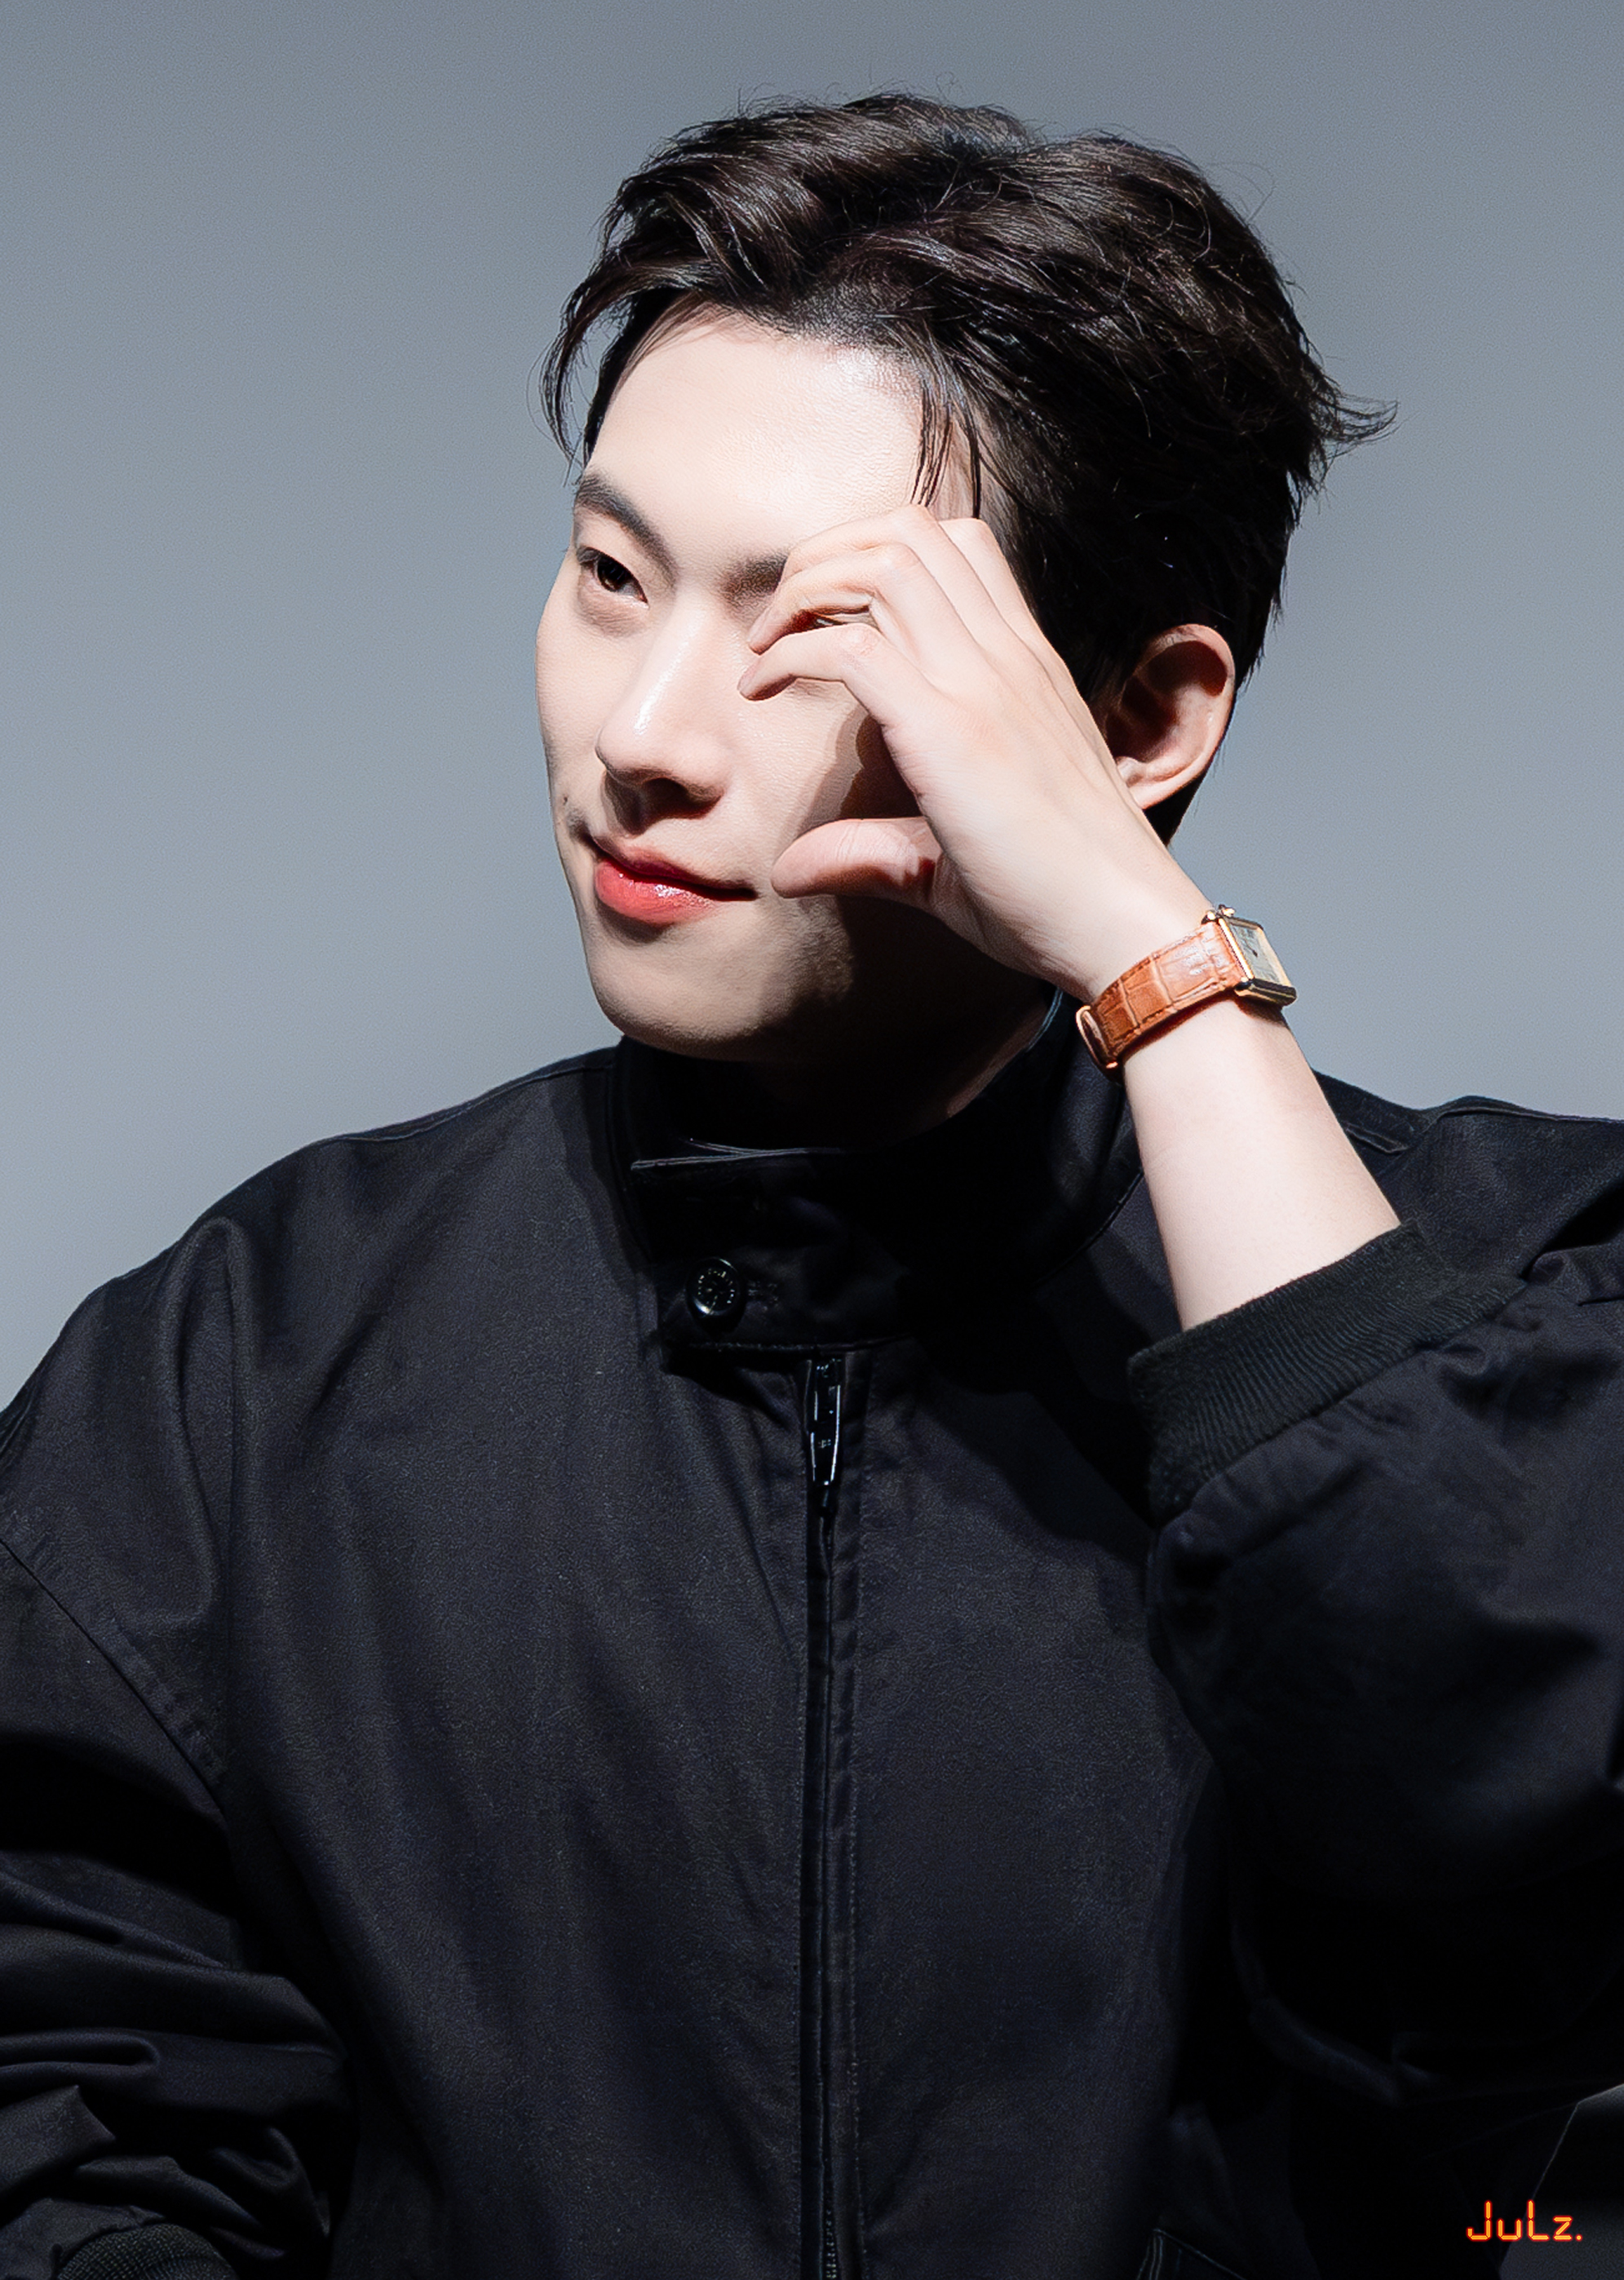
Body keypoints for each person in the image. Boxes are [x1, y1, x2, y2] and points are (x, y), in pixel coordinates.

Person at [3, 92, 1623, 2280]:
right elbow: (68, 2124)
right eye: (610, 578)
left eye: (819, 632)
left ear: (1140, 720)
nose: (645, 735)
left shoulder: (1528, 1312)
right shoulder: (240, 1378)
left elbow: (1510, 1915)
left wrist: (1151, 959)